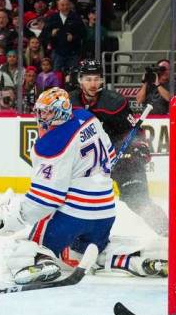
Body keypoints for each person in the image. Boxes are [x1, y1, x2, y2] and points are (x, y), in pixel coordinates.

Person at [0, 88, 167, 284]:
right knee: (83, 250)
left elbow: (46, 199)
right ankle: (133, 260)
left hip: (73, 216)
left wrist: (10, 220)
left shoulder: (52, 143)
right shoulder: (87, 117)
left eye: (48, 112)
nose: (42, 116)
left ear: (61, 111)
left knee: (21, 247)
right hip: (104, 214)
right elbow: (109, 154)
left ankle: (41, 263)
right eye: (41, 111)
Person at [70, 59, 169, 236]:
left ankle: (169, 234)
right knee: (80, 203)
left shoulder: (114, 102)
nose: (93, 84)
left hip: (123, 160)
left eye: (96, 79)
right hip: (89, 164)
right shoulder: (70, 103)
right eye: (88, 79)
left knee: (138, 200)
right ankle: (82, 241)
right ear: (79, 80)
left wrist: (139, 146)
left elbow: (134, 130)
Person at [40, 0, 85, 72]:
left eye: (67, 5)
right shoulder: (52, 18)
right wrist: (51, 34)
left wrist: (73, 37)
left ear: (70, 5)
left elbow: (83, 34)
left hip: (73, 53)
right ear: (58, 6)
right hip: (57, 52)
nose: (65, 7)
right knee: (56, 75)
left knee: (72, 76)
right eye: (62, 5)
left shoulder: (76, 18)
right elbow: (44, 34)